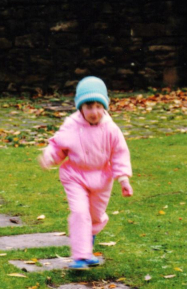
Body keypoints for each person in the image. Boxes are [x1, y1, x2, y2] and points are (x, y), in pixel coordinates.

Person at [39, 76, 133, 270]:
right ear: (80, 107)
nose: (94, 112)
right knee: (80, 212)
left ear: (105, 107)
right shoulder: (71, 126)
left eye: (99, 106)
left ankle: (88, 239)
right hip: (75, 176)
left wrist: (123, 179)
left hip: (101, 178)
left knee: (95, 216)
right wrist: (49, 157)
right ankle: (81, 256)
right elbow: (58, 146)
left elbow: (119, 153)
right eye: (89, 106)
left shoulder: (111, 129)